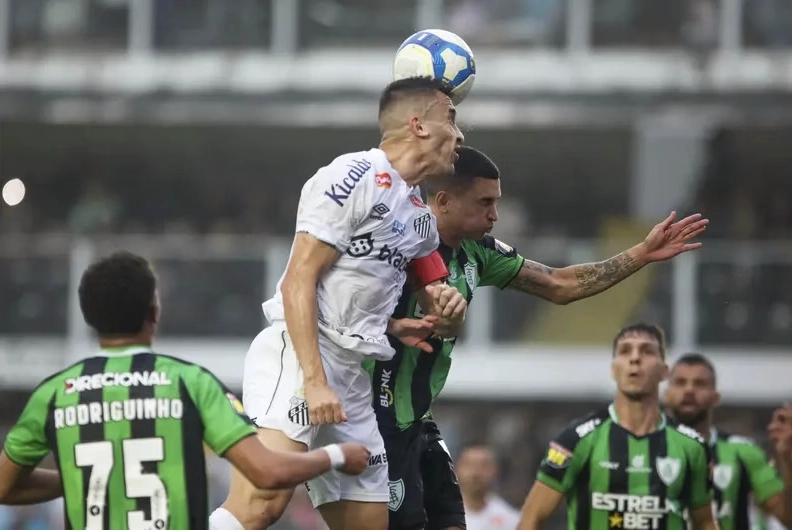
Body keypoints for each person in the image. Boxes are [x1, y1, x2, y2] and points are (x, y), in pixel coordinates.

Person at [371, 146, 710, 530]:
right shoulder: (394, 244)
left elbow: (557, 284)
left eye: (496, 203)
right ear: (444, 201)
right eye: (485, 203)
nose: (494, 215)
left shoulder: (477, 252)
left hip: (417, 418)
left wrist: (640, 254)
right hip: (376, 418)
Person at [210, 76, 469, 530]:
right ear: (419, 125)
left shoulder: (419, 218)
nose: (460, 134)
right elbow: (298, 281)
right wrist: (314, 381)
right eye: (451, 118)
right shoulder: (353, 177)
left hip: (351, 379)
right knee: (261, 507)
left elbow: (424, 296)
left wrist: (405, 323)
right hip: (300, 359)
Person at [0, 251, 371, 529]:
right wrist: (337, 455)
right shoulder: (189, 383)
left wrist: (83, 479)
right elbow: (266, 473)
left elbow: (5, 489)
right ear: (153, 313)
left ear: (88, 317)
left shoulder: (53, 394)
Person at [517, 323, 717, 530]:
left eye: (647, 351)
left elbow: (705, 523)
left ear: (664, 372)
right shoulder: (576, 440)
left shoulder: (693, 446)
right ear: (614, 370)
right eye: (625, 351)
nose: (635, 358)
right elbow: (531, 519)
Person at [664, 353, 792, 529]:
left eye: (700, 384)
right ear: (666, 394)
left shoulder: (743, 451)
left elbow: (789, 519)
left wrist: (787, 457)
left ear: (716, 397)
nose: (689, 390)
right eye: (680, 382)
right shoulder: (645, 447)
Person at [456, 445, 520, 530]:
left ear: (494, 470)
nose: (475, 473)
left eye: (483, 466)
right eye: (469, 465)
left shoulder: (510, 520)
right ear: (457, 469)